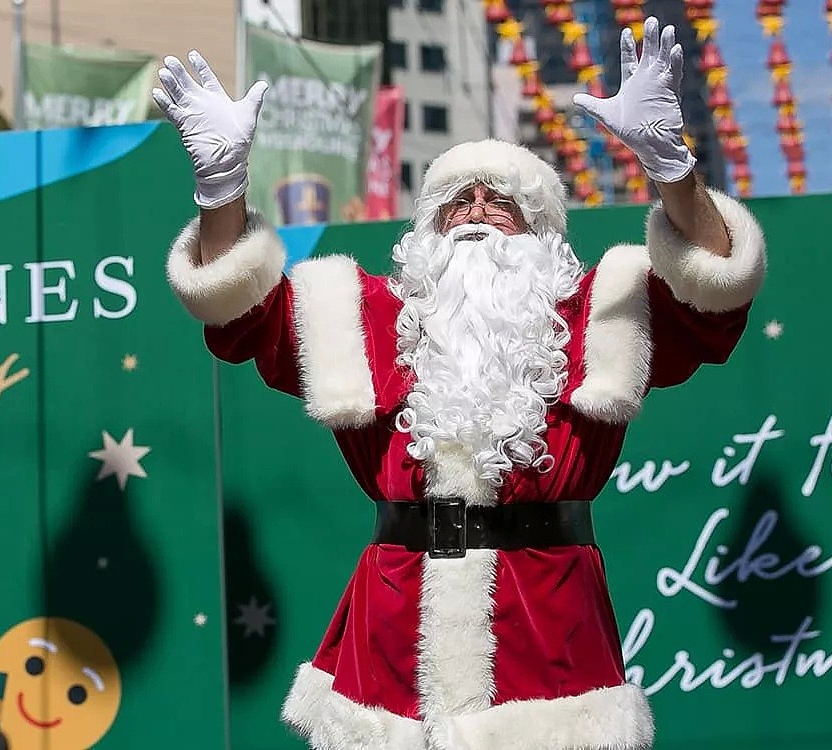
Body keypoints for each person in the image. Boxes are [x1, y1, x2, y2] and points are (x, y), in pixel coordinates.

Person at [154, 16, 765, 750]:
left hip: (547, 634)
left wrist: (673, 171)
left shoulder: (600, 311)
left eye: (500, 200)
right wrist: (221, 188)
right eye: (455, 201)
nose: (475, 209)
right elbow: (239, 312)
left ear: (542, 235)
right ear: (426, 234)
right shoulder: (364, 314)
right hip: (392, 639)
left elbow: (715, 297)